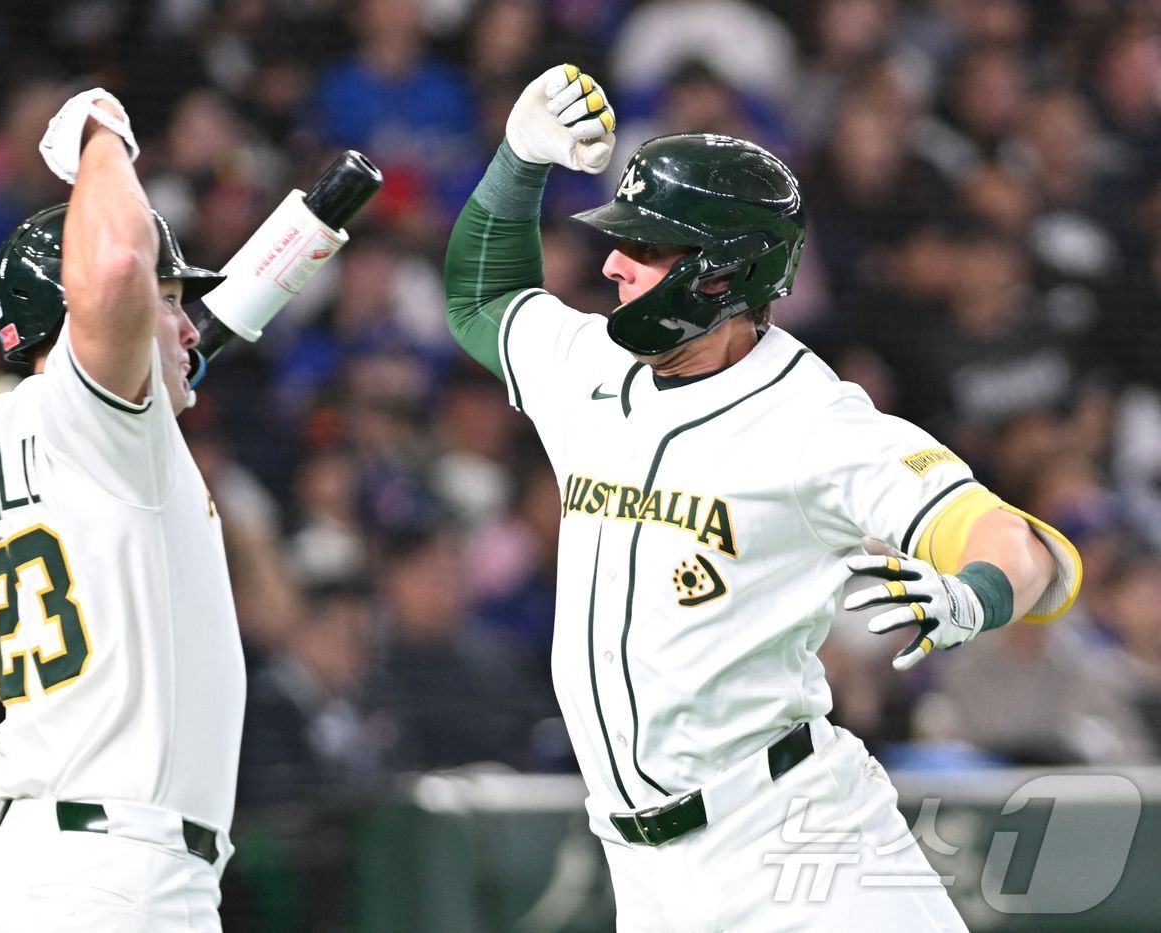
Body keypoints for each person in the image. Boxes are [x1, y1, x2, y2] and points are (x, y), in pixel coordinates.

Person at [442, 64, 1083, 930]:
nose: (613, 261)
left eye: (647, 246)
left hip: (792, 837)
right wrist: (518, 159)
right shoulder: (590, 369)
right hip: (641, 864)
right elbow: (482, 297)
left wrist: (979, 592)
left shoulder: (813, 421)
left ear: (721, 272)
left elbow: (1019, 543)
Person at [0, 89, 245, 931]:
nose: (188, 326)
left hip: (14, 877)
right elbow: (117, 267)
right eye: (170, 301)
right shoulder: (98, 417)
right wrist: (101, 130)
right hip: (122, 881)